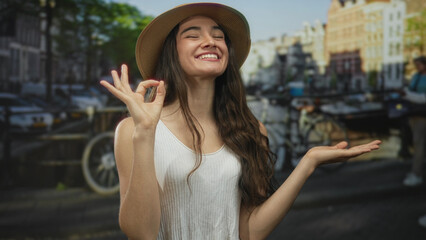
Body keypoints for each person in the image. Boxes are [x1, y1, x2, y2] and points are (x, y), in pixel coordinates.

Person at [100, 3, 381, 239]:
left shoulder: (251, 131)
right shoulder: (132, 131)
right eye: (192, 34)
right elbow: (141, 233)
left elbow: (249, 232)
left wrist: (307, 164)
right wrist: (146, 132)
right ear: (171, 52)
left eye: (218, 35)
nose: (210, 41)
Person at [402, 56, 426, 187]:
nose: (417, 67)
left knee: (419, 145)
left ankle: (416, 174)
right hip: (415, 115)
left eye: (419, 65)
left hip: (422, 116)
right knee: (418, 144)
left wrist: (406, 95)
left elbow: (423, 98)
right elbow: (410, 91)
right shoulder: (416, 76)